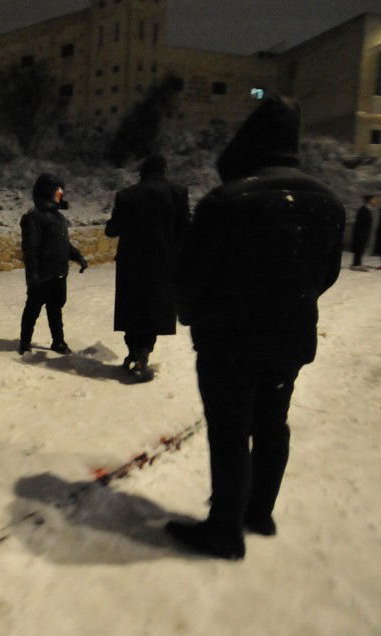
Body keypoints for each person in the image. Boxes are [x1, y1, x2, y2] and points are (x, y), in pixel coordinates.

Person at [170, 95, 345, 560]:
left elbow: (191, 276)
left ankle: (224, 531)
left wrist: (193, 314)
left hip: (229, 341)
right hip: (290, 338)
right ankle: (259, 512)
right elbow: (327, 273)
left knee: (230, 431)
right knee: (272, 423)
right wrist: (292, 302)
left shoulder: (228, 200)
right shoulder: (328, 202)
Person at [104, 154, 190, 381]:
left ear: (142, 171)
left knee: (132, 308)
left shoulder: (126, 195)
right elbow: (185, 230)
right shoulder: (178, 193)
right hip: (163, 263)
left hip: (132, 263)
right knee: (154, 309)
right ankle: (142, 353)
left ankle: (135, 351)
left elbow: (112, 230)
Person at [18, 173, 88, 355]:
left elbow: (62, 244)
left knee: (55, 309)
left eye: (61, 189)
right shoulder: (34, 217)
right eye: (57, 189)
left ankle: (58, 342)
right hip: (42, 274)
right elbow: (30, 249)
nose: (61, 192)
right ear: (47, 191)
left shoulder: (58, 217)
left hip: (58, 272)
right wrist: (32, 274)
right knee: (32, 309)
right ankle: (25, 343)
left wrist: (77, 256)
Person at [349, 195, 374, 271]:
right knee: (359, 249)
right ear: (369, 201)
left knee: (361, 249)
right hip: (361, 234)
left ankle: (357, 263)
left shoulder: (367, 209)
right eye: (373, 200)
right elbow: (361, 223)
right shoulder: (363, 209)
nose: (374, 201)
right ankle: (356, 264)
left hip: (363, 233)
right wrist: (362, 234)